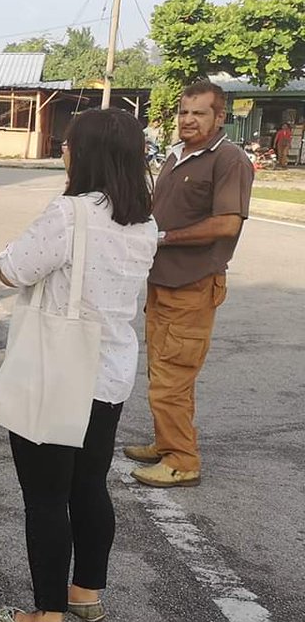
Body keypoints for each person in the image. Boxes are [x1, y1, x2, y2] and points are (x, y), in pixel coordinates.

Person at [0, 107, 158, 622]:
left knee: (44, 496)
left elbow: (12, 269)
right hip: (108, 373)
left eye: (69, 144)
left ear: (85, 155)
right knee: (88, 485)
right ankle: (86, 591)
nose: (63, 151)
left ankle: (46, 616)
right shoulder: (145, 221)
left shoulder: (70, 213)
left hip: (57, 371)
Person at [124, 80, 254, 488]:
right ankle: (168, 442)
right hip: (162, 281)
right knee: (162, 370)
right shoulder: (178, 155)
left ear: (220, 118)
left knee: (173, 375)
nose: (188, 120)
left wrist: (164, 238)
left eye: (199, 113)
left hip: (192, 283)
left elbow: (227, 224)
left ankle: (182, 459)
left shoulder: (228, 159)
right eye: (184, 111)